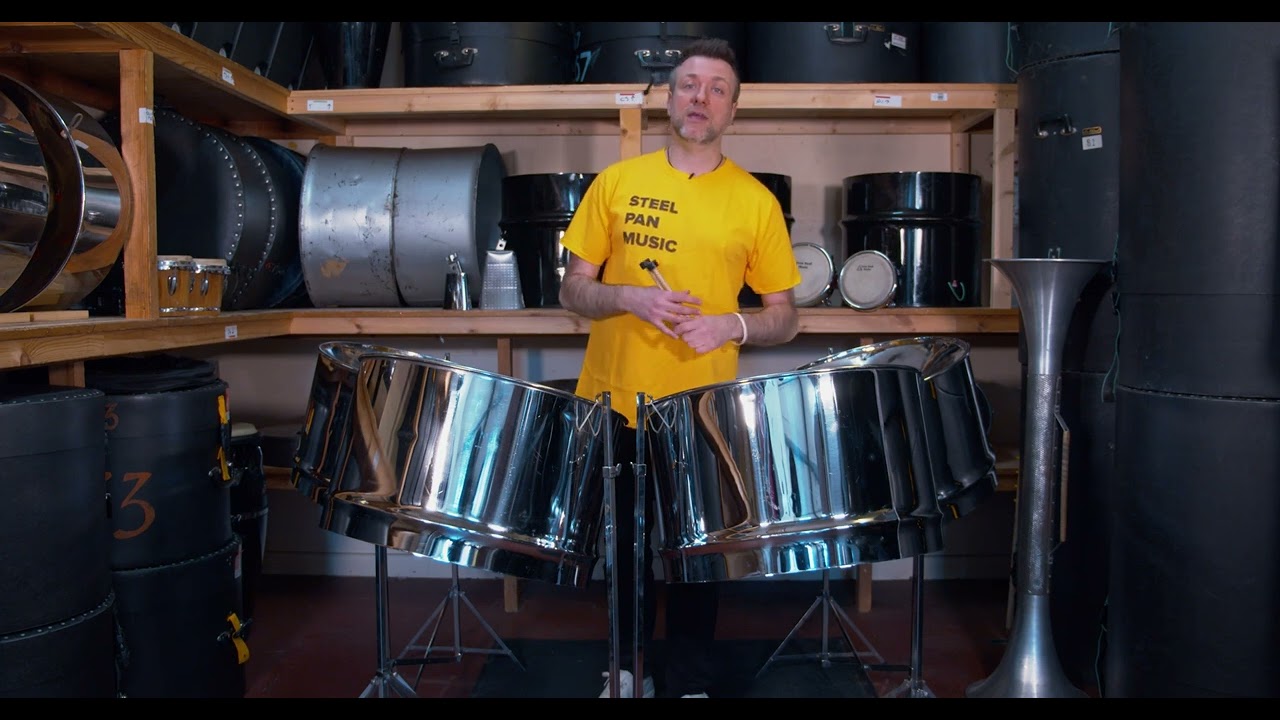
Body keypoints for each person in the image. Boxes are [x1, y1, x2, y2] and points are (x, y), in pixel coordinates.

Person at [557, 36, 802, 699]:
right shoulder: (617, 183)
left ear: (732, 109)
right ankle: (627, 668)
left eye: (717, 88)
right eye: (690, 84)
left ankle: (689, 676)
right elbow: (572, 290)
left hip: (704, 408)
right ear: (669, 97)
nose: (701, 97)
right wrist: (627, 296)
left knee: (698, 557)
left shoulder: (755, 202)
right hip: (617, 401)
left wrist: (735, 323)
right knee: (626, 550)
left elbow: (786, 316)